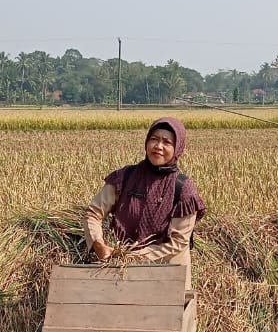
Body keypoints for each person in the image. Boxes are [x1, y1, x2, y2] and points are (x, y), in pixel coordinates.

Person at [84, 117, 206, 286]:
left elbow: (177, 243)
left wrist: (131, 257)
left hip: (167, 278)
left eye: (167, 142)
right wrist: (98, 243)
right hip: (120, 276)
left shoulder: (183, 188)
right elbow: (94, 212)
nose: (158, 146)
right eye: (154, 139)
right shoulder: (125, 177)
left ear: (178, 148)